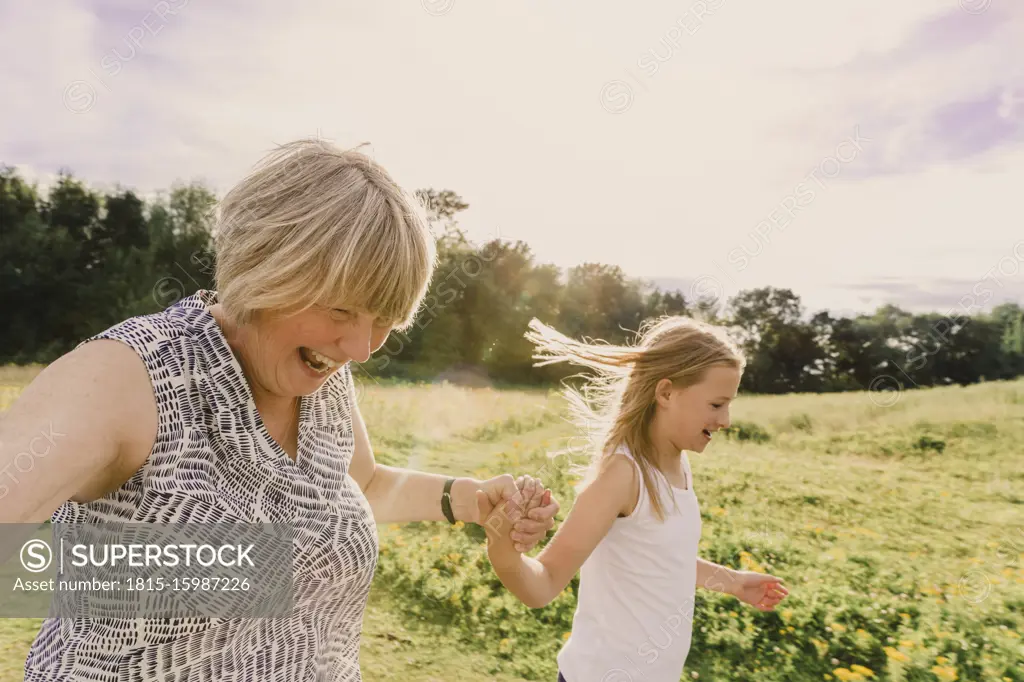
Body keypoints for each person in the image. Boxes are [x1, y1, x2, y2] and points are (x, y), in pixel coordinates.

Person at [0, 138, 560, 681]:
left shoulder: (321, 379)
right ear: (262, 270)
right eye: (341, 309)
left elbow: (355, 485)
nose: (361, 349)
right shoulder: (133, 376)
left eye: (385, 320)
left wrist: (469, 499)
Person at [477, 316, 790, 682]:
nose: (727, 420)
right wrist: (503, 548)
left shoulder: (678, 464)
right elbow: (543, 583)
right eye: (717, 404)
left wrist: (732, 581)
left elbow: (660, 560)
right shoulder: (623, 475)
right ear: (667, 393)